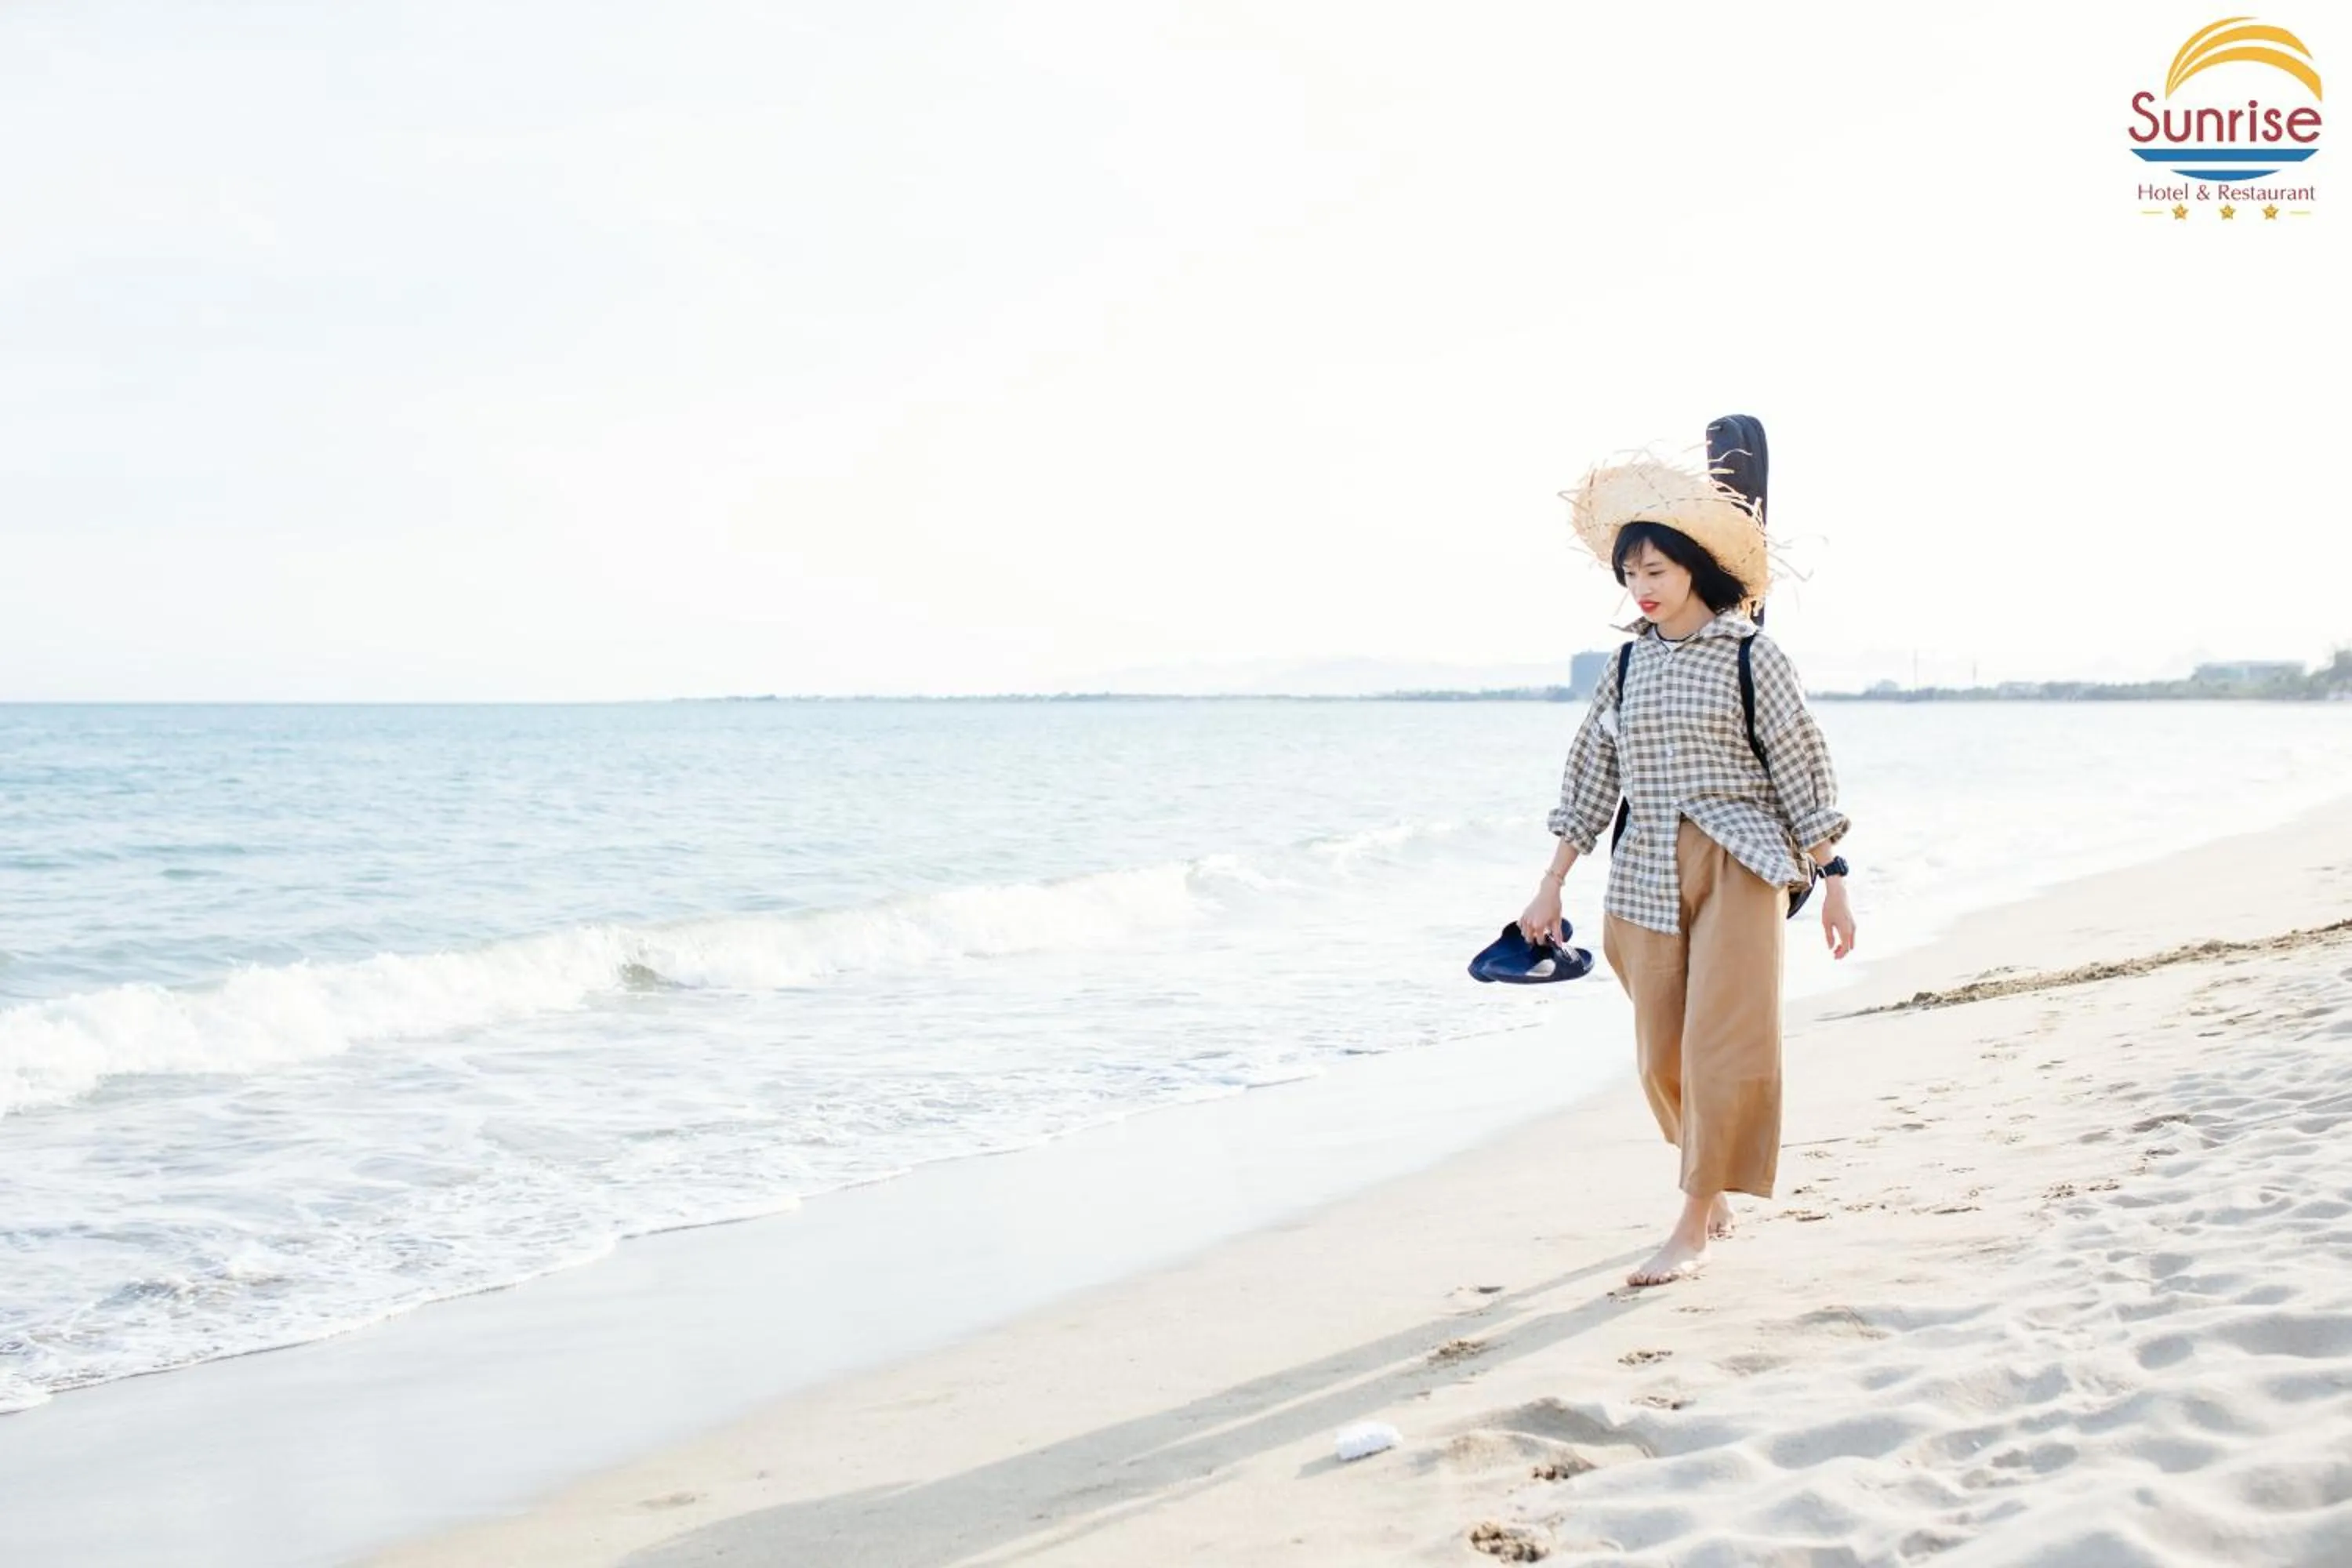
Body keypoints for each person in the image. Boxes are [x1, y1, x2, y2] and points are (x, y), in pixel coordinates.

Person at [1519, 453, 1855, 1288]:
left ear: (1694, 568)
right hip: (1641, 870)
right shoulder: (1627, 665)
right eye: (1630, 571)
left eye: (1657, 569)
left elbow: (1802, 766)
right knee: (1660, 1056)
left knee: (1719, 1047)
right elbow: (1591, 770)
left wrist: (1835, 875)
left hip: (1740, 863)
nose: (1642, 585)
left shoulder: (1750, 655)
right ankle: (1708, 1184)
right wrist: (1553, 878)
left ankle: (1692, 1222)